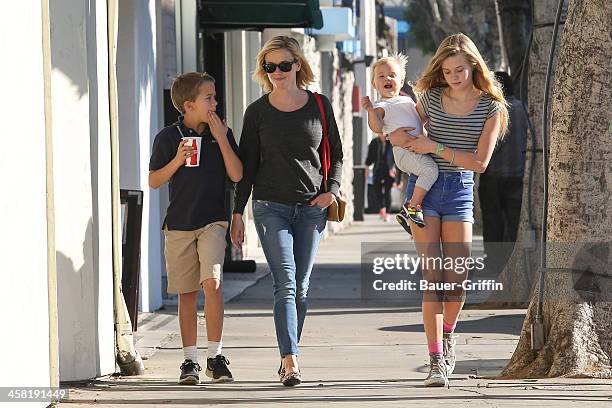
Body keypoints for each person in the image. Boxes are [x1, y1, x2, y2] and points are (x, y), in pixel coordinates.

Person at [388, 33, 508, 387]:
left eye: (460, 69)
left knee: (456, 282)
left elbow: (480, 163)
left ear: (473, 66)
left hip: (458, 191)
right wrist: (389, 130)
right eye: (447, 70)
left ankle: (449, 333)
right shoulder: (430, 98)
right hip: (423, 190)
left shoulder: (492, 107)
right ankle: (435, 359)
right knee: (433, 279)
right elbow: (401, 127)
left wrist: (433, 145)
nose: (454, 75)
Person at [230, 36, 343, 386]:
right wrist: (237, 213)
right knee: (287, 284)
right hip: (269, 208)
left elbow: (336, 155)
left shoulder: (320, 105)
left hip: (312, 209)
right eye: (270, 66)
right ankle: (290, 360)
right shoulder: (258, 112)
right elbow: (247, 167)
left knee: (302, 288)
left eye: (283, 65)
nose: (277, 72)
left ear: (297, 65)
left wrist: (332, 193)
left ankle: (288, 351)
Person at [149, 72, 243, 385]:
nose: (215, 103)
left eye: (215, 97)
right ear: (189, 105)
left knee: (212, 284)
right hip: (178, 224)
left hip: (213, 220)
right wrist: (177, 159)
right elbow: (154, 180)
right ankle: (189, 361)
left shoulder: (222, 133)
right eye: (209, 98)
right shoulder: (167, 137)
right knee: (186, 294)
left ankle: (215, 356)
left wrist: (221, 139)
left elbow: (237, 174)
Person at [362, 54, 439, 231]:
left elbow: (419, 122)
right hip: (404, 152)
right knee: (430, 170)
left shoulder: (407, 100)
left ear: (402, 80)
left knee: (429, 171)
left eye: (392, 75)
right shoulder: (381, 105)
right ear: (374, 84)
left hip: (416, 147)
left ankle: (410, 209)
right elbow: (377, 127)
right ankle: (411, 207)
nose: (387, 78)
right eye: (381, 76)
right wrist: (370, 111)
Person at [478, 71, 527, 275]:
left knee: (493, 219)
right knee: (514, 220)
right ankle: (512, 259)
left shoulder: (493, 109)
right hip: (518, 174)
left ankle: (495, 261)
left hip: (492, 175)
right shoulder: (524, 109)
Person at [365, 134, 395, 221]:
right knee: (377, 190)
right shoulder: (374, 142)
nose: (381, 134)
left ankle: (388, 213)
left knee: (387, 192)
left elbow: (395, 157)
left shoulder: (391, 142)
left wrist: (394, 168)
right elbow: (370, 157)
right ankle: (382, 209)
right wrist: (367, 168)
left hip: (389, 170)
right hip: (377, 169)